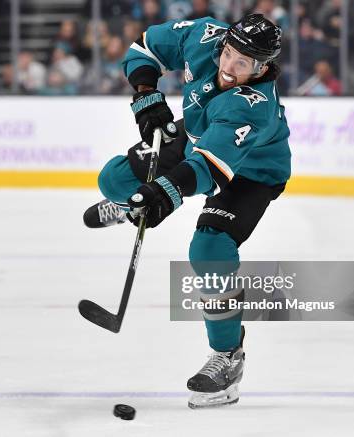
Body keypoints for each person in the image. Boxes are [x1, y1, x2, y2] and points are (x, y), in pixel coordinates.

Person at [82, 14, 290, 408]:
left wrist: (163, 194)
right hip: (197, 140)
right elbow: (144, 46)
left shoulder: (254, 105)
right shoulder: (206, 37)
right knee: (113, 180)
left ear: (262, 68)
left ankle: (228, 356)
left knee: (209, 252)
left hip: (252, 173)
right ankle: (131, 205)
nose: (228, 66)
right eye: (229, 54)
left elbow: (207, 170)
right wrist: (146, 95)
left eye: (242, 63)